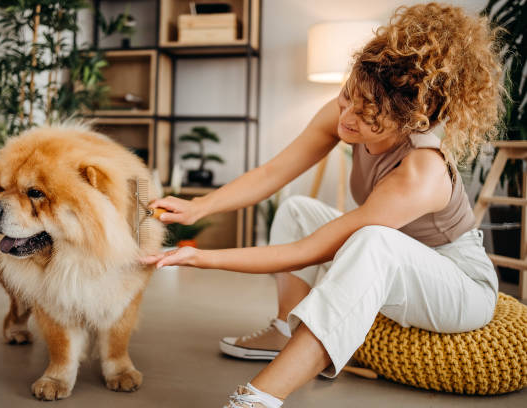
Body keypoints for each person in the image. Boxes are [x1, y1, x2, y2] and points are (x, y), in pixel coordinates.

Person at [141, 3, 505, 407]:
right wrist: (199, 207)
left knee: (373, 240)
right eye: (348, 96)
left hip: (459, 284)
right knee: (298, 209)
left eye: (368, 116)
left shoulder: (422, 170)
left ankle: (258, 399)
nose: (347, 116)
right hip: (395, 255)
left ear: (411, 121)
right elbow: (272, 173)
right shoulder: (348, 111)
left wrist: (199, 258)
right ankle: (284, 330)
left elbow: (305, 252)